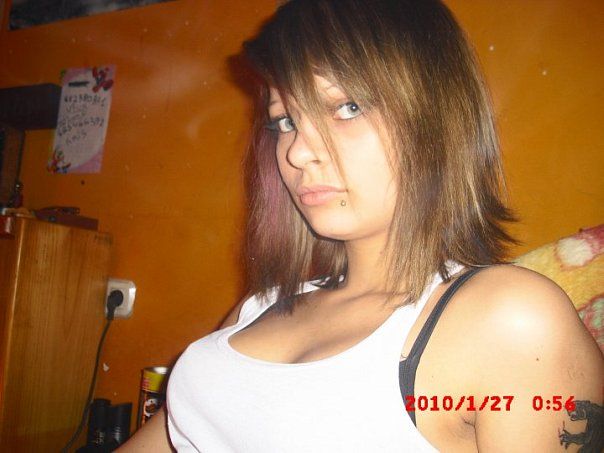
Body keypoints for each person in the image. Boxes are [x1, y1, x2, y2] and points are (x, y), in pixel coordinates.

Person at [120, 0, 604, 451]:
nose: (297, 152)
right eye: (285, 121)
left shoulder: (511, 319)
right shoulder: (258, 307)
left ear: (435, 117)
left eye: (346, 108)